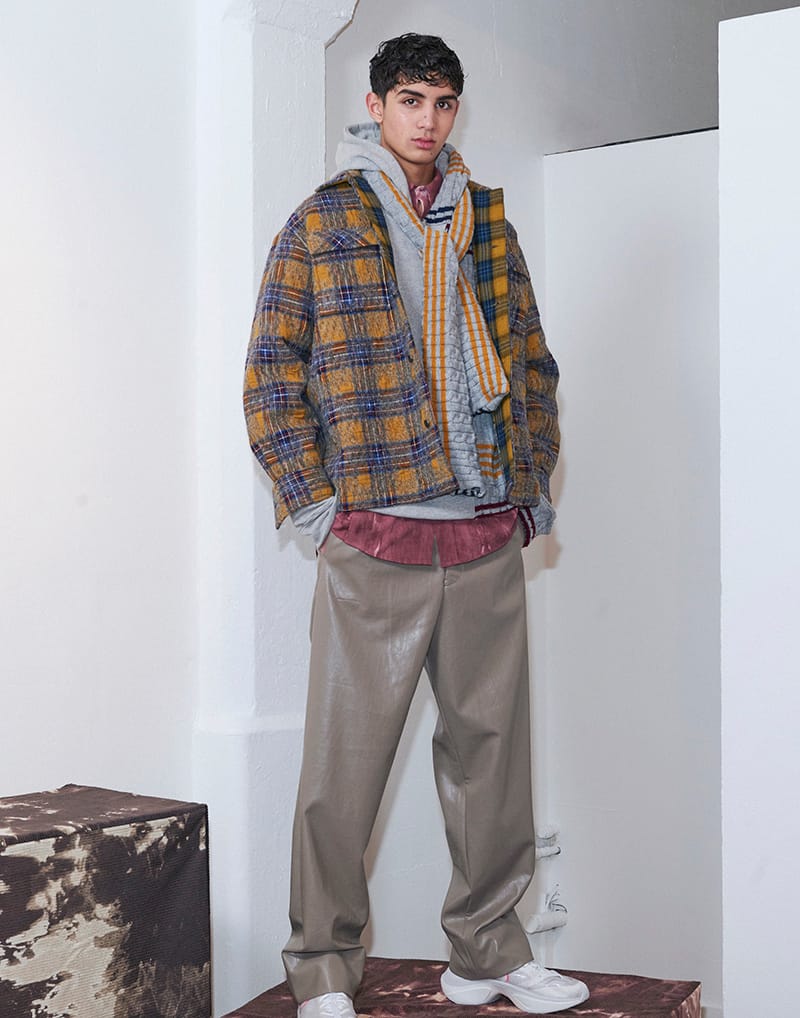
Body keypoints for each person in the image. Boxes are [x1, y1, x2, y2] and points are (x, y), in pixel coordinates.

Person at [244, 32, 589, 1018]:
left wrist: (529, 488)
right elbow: (270, 371)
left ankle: (485, 954)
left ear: (454, 110)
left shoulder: (486, 223)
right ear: (376, 105)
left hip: (482, 525)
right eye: (409, 100)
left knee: (493, 762)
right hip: (377, 530)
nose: (427, 119)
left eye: (441, 102)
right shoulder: (325, 220)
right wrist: (318, 505)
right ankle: (322, 969)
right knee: (340, 773)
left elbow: (529, 363)